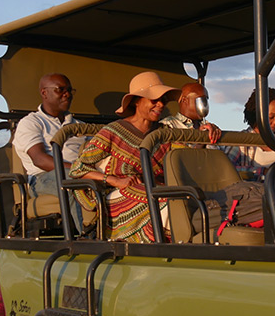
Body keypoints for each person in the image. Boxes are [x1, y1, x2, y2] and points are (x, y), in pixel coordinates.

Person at [70, 71, 181, 243]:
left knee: (184, 196)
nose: (160, 105)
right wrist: (115, 180)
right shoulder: (113, 131)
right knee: (166, 200)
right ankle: (157, 247)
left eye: (163, 100)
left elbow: (185, 153)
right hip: (117, 192)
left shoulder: (164, 133)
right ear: (137, 101)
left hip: (154, 189)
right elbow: (79, 169)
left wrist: (204, 131)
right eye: (154, 100)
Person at [13, 73, 84, 229]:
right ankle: (87, 236)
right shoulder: (32, 123)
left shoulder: (78, 125)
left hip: (79, 171)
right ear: (44, 93)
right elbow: (40, 160)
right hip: (43, 178)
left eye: (70, 90)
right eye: (61, 89)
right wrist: (80, 171)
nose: (68, 94)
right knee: (72, 184)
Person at [220, 88, 275, 181]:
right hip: (257, 191)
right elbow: (226, 169)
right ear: (257, 114)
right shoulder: (241, 141)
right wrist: (264, 172)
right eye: (271, 117)